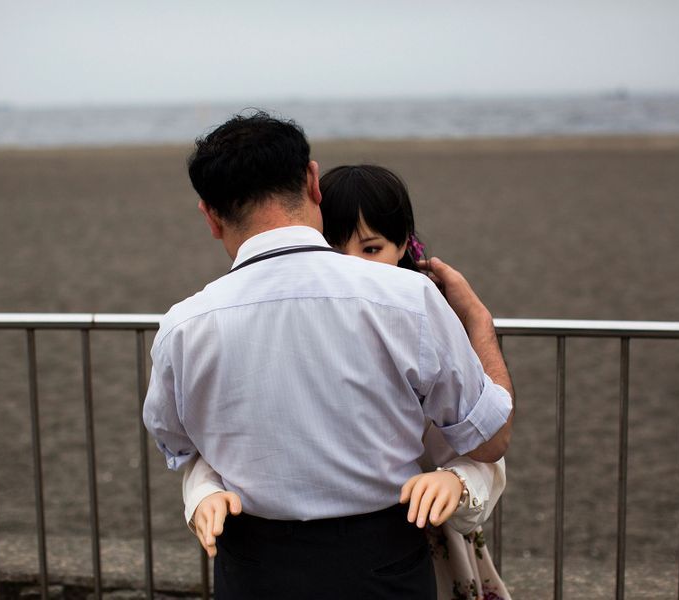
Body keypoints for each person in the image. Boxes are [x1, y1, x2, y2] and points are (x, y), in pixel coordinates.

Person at [143, 112, 514, 599]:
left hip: (253, 568)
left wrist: (208, 487)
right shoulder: (406, 298)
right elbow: (489, 438)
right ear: (313, 182)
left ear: (211, 217)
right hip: (383, 563)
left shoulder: (183, 326)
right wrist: (481, 329)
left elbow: (177, 443)